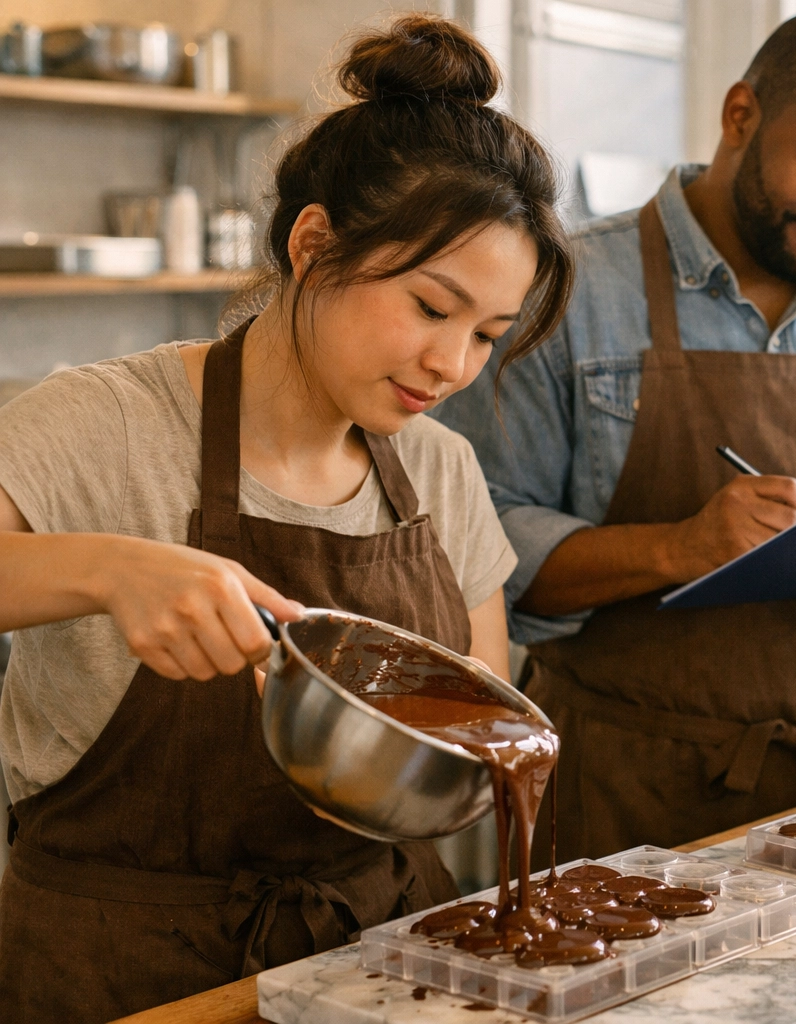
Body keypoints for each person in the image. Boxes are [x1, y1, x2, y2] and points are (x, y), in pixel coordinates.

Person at [0, 16, 573, 1021]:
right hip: (119, 974)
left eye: (488, 333)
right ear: (314, 246)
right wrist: (112, 571)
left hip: (376, 966)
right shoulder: (107, 422)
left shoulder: (439, 468)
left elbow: (482, 727)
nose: (453, 365)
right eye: (430, 307)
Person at [435, 10, 796, 859]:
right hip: (620, 795)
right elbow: (472, 553)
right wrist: (680, 547)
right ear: (741, 115)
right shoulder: (567, 292)